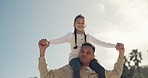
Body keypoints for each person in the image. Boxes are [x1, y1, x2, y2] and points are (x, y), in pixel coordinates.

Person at [47, 14, 117, 78]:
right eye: (78, 23)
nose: (80, 24)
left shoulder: (88, 37)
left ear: (85, 25)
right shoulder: (70, 36)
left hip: (86, 59)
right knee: (77, 67)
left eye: (82, 23)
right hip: (74, 59)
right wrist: (48, 42)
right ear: (74, 24)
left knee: (101, 70)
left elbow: (101, 43)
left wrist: (115, 46)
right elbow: (59, 40)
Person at [38, 39, 125, 78]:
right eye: (82, 51)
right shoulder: (69, 70)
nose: (84, 54)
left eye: (88, 53)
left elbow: (116, 74)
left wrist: (121, 53)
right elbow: (46, 76)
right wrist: (42, 51)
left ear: (93, 57)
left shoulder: (99, 71)